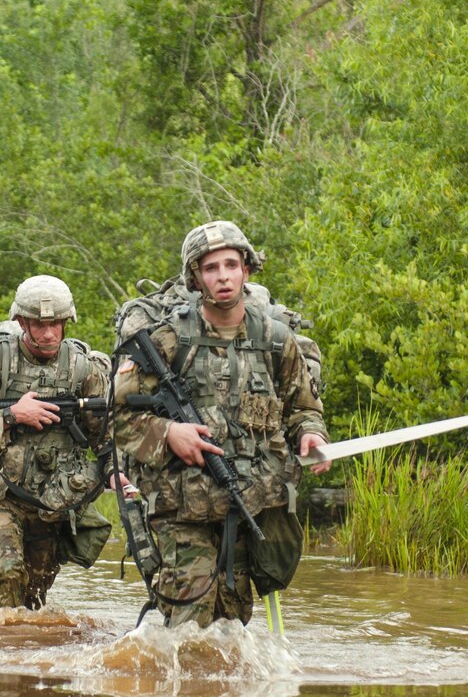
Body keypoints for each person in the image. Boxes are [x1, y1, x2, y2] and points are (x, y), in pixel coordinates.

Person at [113, 220, 330, 628]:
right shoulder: (168, 340)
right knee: (188, 624)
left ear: (246, 269)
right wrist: (168, 433)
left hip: (251, 503)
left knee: (232, 628)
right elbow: (117, 415)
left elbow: (303, 407)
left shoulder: (278, 341)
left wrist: (312, 435)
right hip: (183, 507)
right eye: (211, 268)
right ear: (195, 277)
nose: (223, 276)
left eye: (231, 265)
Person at [0, 275, 118, 613]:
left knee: (35, 598)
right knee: (7, 573)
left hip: (53, 497)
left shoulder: (84, 369)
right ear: (22, 322)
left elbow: (107, 434)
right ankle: (0, 652)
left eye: (56, 323)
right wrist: (12, 415)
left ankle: (23, 656)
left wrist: (114, 470)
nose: (48, 333)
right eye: (39, 324)